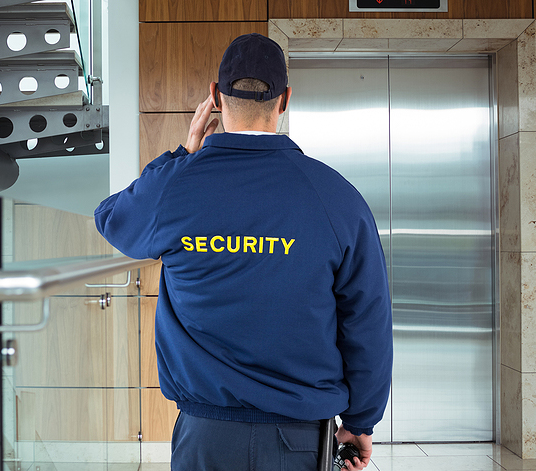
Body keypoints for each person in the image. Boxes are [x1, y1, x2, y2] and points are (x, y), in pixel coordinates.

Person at [95, 33, 393, 471]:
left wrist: (183, 153)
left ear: (215, 96)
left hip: (204, 439)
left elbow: (112, 218)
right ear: (285, 99)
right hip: (300, 439)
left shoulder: (176, 186)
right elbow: (367, 318)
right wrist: (361, 421)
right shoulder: (337, 197)